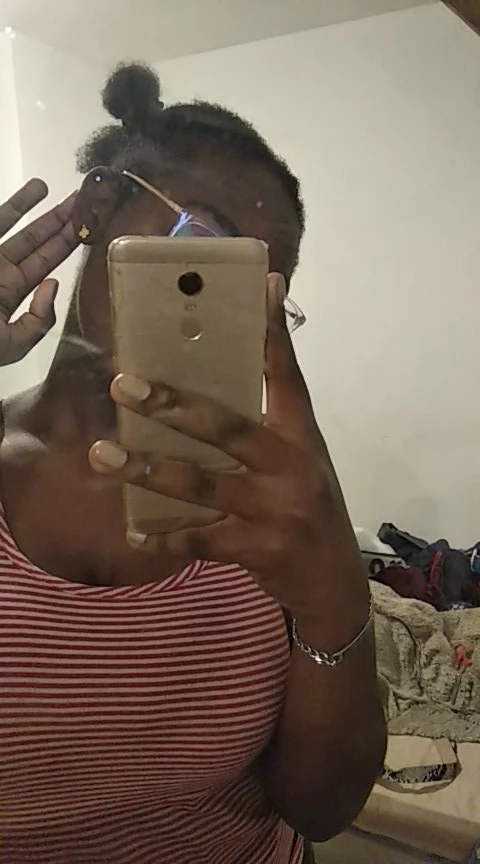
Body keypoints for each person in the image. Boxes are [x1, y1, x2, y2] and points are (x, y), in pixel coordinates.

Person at [0, 64, 386, 864]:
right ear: (99, 207)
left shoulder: (268, 500)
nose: (222, 306)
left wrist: (337, 601)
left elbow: (320, 809)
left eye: (260, 287)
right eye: (203, 245)